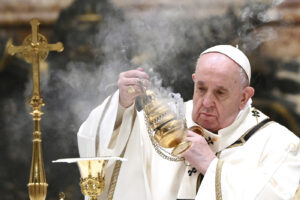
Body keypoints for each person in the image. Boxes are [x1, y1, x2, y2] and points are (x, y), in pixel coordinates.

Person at [77, 45, 300, 200]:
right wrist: (122, 106)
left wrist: (211, 166)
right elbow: (106, 149)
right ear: (194, 80)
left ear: (244, 97)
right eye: (201, 89)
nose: (206, 102)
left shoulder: (278, 144)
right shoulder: (165, 122)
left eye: (220, 93)